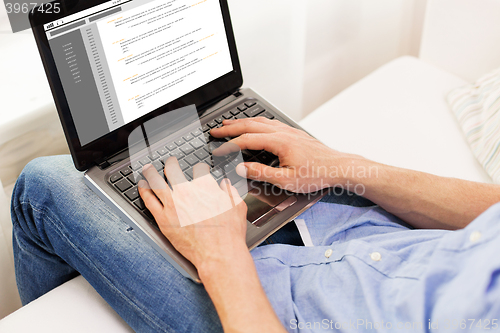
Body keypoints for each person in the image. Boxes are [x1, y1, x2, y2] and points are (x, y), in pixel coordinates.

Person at [11, 117, 500, 333]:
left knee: (44, 186)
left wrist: (220, 252)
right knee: (230, 139)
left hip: (266, 315)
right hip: (370, 239)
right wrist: (345, 166)